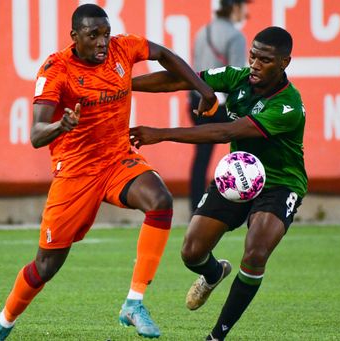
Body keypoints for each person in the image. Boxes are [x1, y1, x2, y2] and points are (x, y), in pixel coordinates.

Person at [0, 4, 217, 340]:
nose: (102, 42)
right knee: (46, 266)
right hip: (75, 174)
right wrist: (60, 125)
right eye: (93, 35)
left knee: (160, 200)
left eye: (105, 33)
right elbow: (35, 134)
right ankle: (3, 323)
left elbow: (165, 55)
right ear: (74, 37)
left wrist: (204, 90)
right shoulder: (56, 68)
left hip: (117, 160)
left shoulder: (123, 47)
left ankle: (134, 303)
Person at [130, 27, 307, 340]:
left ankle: (217, 336)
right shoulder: (238, 77)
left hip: (280, 183)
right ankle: (213, 273)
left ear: (284, 63)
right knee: (191, 252)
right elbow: (179, 80)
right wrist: (124, 86)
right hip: (239, 176)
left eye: (265, 60)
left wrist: (160, 133)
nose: (254, 63)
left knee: (255, 252)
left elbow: (225, 132)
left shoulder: (288, 108)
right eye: (253, 55)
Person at [188, 0, 250, 214]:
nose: (246, 12)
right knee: (247, 153)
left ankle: (196, 208)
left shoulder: (202, 32)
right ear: (235, 8)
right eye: (244, 6)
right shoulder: (235, 37)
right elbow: (236, 79)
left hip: (198, 102)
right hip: (222, 106)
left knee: (201, 158)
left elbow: (195, 70)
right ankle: (246, 204)